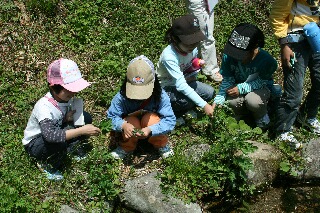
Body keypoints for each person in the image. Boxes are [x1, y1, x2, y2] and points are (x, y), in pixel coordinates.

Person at [22, 58, 101, 180]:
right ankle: (45, 163)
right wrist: (82, 131)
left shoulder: (64, 99)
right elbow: (50, 135)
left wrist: (65, 119)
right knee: (57, 142)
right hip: (37, 144)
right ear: (53, 88)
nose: (73, 92)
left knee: (85, 118)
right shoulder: (44, 107)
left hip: (54, 130)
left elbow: (56, 120)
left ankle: (71, 148)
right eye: (68, 89)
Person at [270, 0, 320, 148]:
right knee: (294, 91)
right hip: (295, 40)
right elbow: (277, 15)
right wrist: (284, 44)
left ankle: (306, 116)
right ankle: (282, 131)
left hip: (316, 35)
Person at [107, 55, 176, 160]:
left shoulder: (160, 96)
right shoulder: (121, 97)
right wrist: (123, 125)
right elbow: (111, 117)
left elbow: (170, 120)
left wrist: (151, 129)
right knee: (131, 121)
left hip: (151, 127)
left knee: (152, 120)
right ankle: (127, 147)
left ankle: (160, 144)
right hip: (131, 126)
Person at [212, 23, 278, 129]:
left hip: (259, 88)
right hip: (238, 85)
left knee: (253, 100)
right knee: (233, 101)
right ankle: (245, 116)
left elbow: (263, 81)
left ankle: (261, 116)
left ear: (254, 48)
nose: (236, 58)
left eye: (241, 54)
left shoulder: (266, 61)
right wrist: (219, 99)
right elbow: (228, 78)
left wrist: (241, 88)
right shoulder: (228, 57)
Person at [156, 14, 216, 121]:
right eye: (189, 43)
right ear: (175, 39)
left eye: (195, 42)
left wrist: (196, 64)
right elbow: (181, 86)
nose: (193, 46)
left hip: (185, 81)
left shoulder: (192, 49)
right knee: (187, 100)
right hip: (167, 88)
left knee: (210, 92)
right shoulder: (169, 57)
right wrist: (204, 105)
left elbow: (190, 62)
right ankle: (174, 113)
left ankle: (184, 107)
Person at [185, 0, 223, 82]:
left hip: (208, 1)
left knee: (204, 33)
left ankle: (198, 63)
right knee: (206, 37)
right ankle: (210, 70)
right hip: (198, 2)